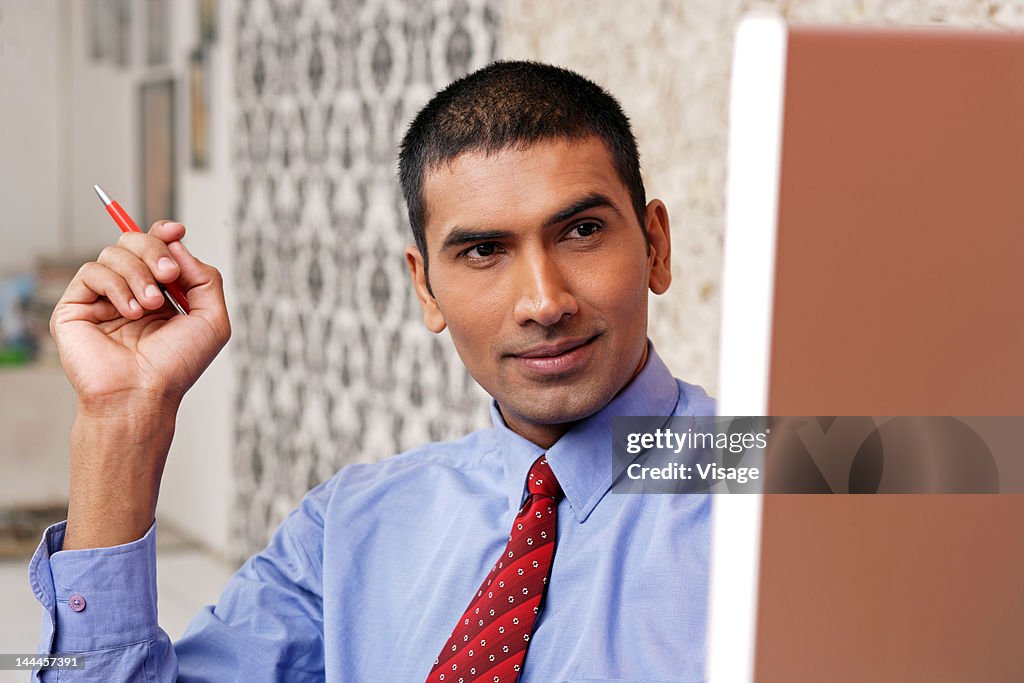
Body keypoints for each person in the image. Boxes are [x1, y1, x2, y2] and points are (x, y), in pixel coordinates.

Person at [31, 61, 714, 682]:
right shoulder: (348, 525)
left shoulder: (790, 476)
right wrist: (121, 420)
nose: (545, 301)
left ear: (655, 246)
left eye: (582, 231)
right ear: (426, 289)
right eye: (482, 250)